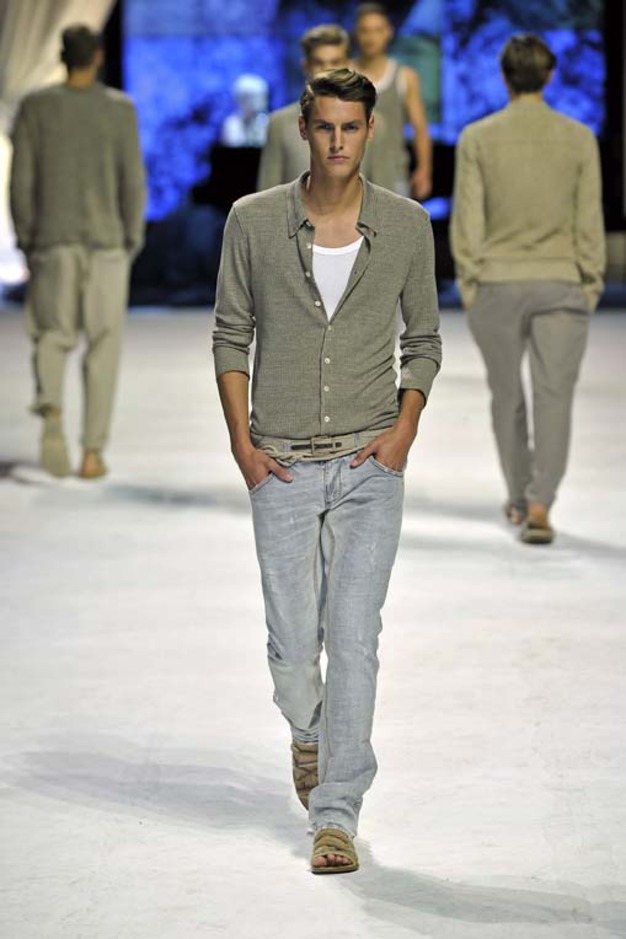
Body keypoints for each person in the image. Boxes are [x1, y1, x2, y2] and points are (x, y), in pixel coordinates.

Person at [213, 68, 441, 873]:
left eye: (351, 127)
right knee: (289, 647)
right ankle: (307, 733)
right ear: (303, 129)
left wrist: (404, 430)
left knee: (354, 637)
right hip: (278, 461)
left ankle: (336, 812)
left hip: (369, 459)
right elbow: (230, 334)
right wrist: (242, 445)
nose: (338, 141)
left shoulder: (406, 225)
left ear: (371, 130)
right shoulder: (252, 220)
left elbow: (423, 339)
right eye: (325, 127)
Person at [450, 34, 605, 544]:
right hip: (561, 281)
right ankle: (540, 504)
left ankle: (519, 496)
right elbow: (589, 220)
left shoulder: (477, 137)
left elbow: (468, 219)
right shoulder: (578, 138)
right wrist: (590, 282)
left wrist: (470, 280)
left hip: (496, 282)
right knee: (553, 396)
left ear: (504, 76)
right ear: (550, 75)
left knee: (506, 396)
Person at [9, 24, 146, 479]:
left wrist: (27, 238)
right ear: (99, 56)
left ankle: (51, 411)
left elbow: (21, 180)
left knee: (52, 334)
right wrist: (132, 236)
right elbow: (132, 179)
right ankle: (91, 452)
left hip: (53, 240)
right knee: (103, 346)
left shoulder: (36, 107)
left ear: (62, 56)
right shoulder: (119, 109)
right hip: (107, 242)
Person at [257, 23, 394, 191]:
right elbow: (267, 190)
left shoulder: (374, 123)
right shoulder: (279, 123)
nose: (328, 71)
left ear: (349, 65)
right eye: (319, 63)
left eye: (335, 62)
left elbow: (384, 190)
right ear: (305, 66)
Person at [352, 1, 432, 198]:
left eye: (377, 30)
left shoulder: (405, 77)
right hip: (351, 175)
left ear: (388, 32)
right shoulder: (344, 76)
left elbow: (420, 129)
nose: (371, 38)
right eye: (365, 31)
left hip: (394, 174)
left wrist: (424, 170)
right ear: (357, 33)